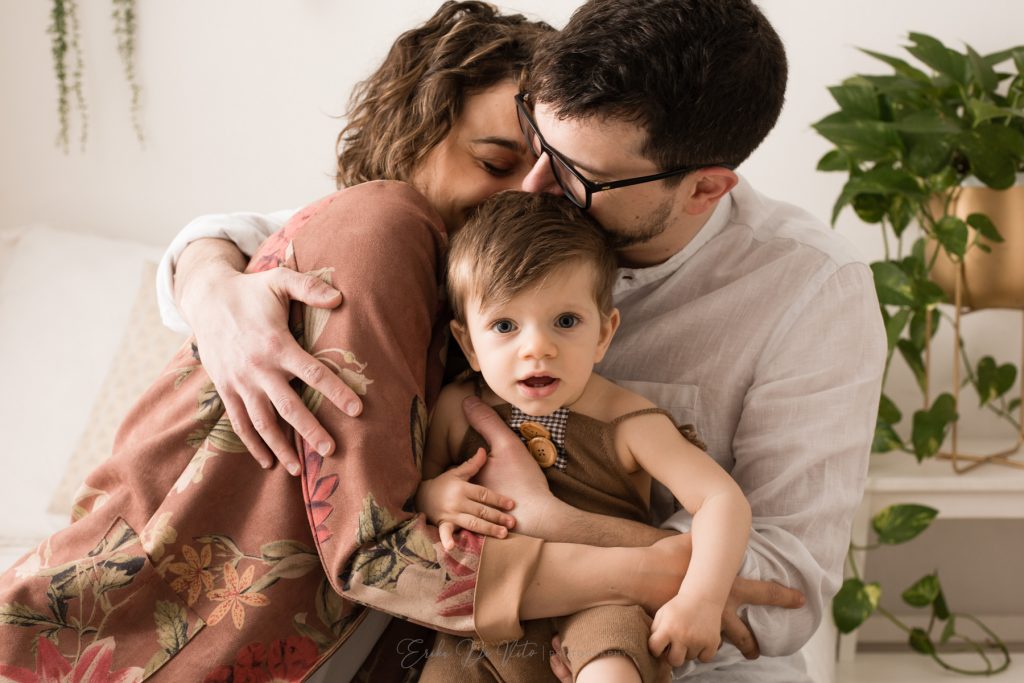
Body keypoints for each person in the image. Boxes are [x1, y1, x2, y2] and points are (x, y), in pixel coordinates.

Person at [4, 4, 757, 680]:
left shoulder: (476, 304)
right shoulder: (384, 225)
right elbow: (375, 554)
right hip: (117, 636)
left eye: (553, 173)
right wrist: (653, 568)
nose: (526, 195)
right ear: (416, 134)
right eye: (495, 162)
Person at [160, 0, 880, 680]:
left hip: (678, 649)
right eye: (539, 143)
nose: (534, 188)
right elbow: (267, 233)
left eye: (582, 174)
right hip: (473, 626)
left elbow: (782, 585)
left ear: (704, 188)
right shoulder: (503, 218)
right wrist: (213, 289)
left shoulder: (811, 292)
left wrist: (553, 525)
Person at [416, 190, 751, 682]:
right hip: (497, 608)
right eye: (505, 325)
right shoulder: (456, 410)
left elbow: (722, 498)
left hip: (606, 599)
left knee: (611, 670)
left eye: (566, 322)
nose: (538, 348)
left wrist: (701, 597)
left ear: (603, 334)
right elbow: (413, 498)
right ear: (467, 342)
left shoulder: (628, 420)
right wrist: (436, 494)